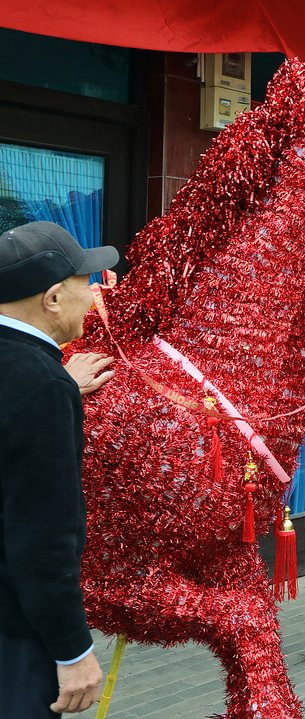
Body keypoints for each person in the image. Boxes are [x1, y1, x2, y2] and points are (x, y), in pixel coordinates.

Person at [0, 221, 116, 717]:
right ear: (52, 299)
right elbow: (42, 538)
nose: (94, 297)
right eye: (84, 284)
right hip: (13, 635)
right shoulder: (41, 384)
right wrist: (73, 649)